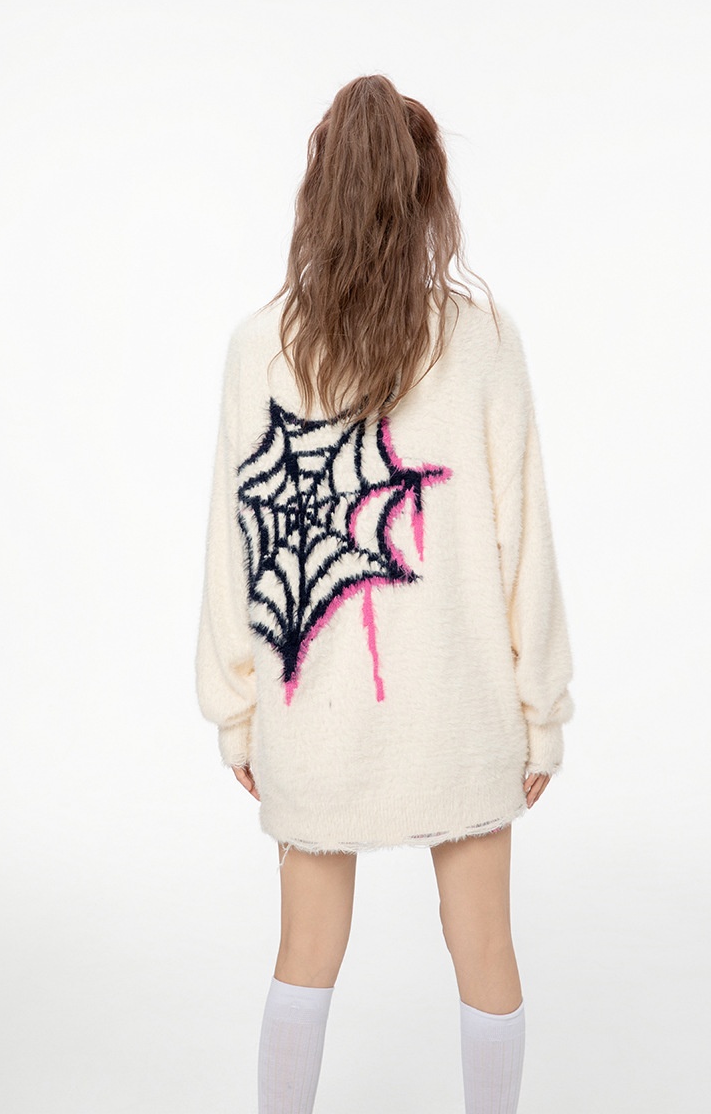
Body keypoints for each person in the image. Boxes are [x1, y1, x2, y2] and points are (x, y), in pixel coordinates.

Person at [194, 73, 575, 1114]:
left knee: (304, 948)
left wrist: (237, 711)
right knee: (484, 943)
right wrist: (540, 712)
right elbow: (524, 543)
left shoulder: (261, 346)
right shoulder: (482, 339)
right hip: (462, 709)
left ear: (317, 191)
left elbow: (235, 546)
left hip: (312, 711)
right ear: (427, 192)